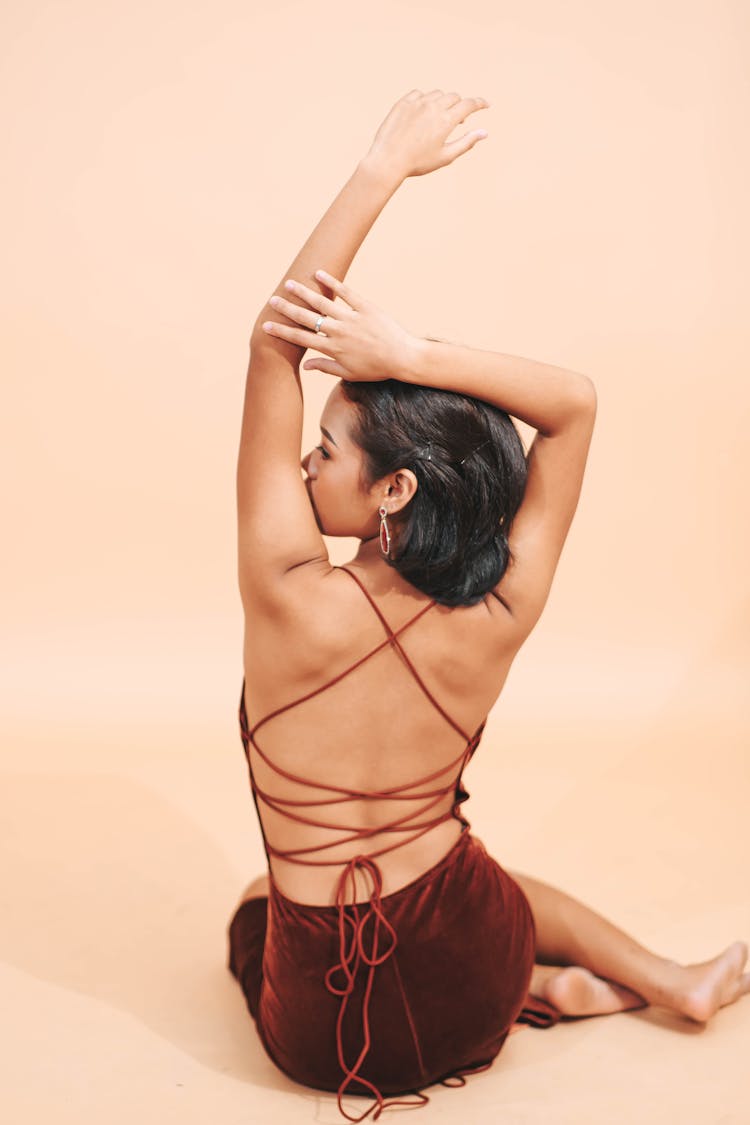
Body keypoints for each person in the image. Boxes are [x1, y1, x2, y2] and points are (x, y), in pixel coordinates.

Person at [226, 89, 750, 1121]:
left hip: (322, 1042)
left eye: (326, 454)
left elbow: (271, 345)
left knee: (254, 916)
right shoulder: (505, 606)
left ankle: (548, 993)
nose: (305, 463)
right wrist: (409, 360)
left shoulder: (288, 595)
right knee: (480, 879)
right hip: (465, 976)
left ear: (393, 491)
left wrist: (380, 168)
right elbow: (575, 406)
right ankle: (643, 982)